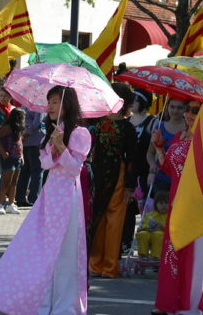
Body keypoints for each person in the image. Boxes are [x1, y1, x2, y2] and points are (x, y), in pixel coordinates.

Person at [0, 85, 91, 315]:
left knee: (66, 254)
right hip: (50, 196)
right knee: (43, 251)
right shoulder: (53, 131)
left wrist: (61, 146)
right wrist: (54, 146)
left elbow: (74, 169)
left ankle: (65, 307)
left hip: (68, 197)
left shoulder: (80, 133)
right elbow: (45, 164)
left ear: (67, 104)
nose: (50, 107)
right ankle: (42, 302)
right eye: (49, 102)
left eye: (55, 102)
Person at [152, 100, 203, 315]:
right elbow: (169, 169)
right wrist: (159, 147)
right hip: (177, 201)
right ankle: (169, 303)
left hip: (197, 204)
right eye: (188, 109)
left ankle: (188, 305)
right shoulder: (179, 137)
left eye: (195, 111)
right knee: (173, 250)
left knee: (192, 252)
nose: (189, 114)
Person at [88, 82, 136, 279]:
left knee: (114, 221)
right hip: (97, 175)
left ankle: (109, 266)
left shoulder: (127, 128)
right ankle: (96, 264)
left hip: (118, 176)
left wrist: (129, 186)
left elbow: (133, 158)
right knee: (97, 219)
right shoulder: (95, 122)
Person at [121, 88, 156, 253]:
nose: (131, 103)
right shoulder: (126, 121)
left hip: (144, 173)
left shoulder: (152, 122)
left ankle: (147, 248)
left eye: (135, 100)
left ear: (143, 102)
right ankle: (126, 243)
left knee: (146, 211)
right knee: (127, 210)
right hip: (129, 173)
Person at [147, 98, 187, 196]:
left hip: (181, 181)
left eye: (179, 108)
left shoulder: (189, 129)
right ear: (167, 107)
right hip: (161, 179)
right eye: (172, 107)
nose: (175, 111)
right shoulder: (159, 127)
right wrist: (152, 166)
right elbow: (150, 153)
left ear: (185, 109)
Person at [0, 107, 25, 215]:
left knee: (14, 182)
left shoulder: (19, 129)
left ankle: (11, 204)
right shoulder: (7, 127)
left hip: (17, 158)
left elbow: (20, 143)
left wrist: (22, 156)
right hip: (8, 158)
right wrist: (3, 153)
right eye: (22, 117)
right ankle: (0, 204)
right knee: (6, 182)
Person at [15, 107, 45, 206]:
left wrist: (23, 134)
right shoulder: (38, 105)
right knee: (36, 171)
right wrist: (26, 133)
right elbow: (37, 122)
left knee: (26, 171)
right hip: (34, 140)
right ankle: (33, 198)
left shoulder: (25, 103)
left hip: (27, 141)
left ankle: (20, 197)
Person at [136, 191, 167, 260]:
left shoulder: (169, 217)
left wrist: (162, 227)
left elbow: (171, 230)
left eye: (166, 203)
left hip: (161, 234)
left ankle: (156, 257)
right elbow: (144, 224)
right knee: (142, 234)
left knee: (158, 235)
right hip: (149, 232)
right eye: (161, 203)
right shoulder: (150, 215)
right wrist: (145, 228)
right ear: (156, 205)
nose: (164, 205)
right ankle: (143, 255)